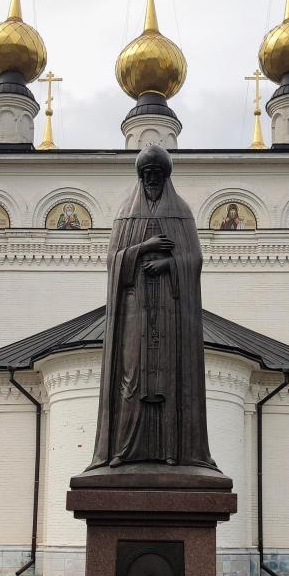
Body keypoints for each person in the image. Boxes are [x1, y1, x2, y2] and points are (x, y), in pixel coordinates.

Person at [88, 144, 216, 470]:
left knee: (169, 378)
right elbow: (113, 260)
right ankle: (124, 449)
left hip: (170, 312)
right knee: (132, 377)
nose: (152, 180)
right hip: (135, 310)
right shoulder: (125, 215)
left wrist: (169, 265)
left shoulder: (181, 212)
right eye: (146, 175)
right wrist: (145, 247)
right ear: (140, 177)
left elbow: (194, 259)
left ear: (165, 177)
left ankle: (172, 449)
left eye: (157, 175)